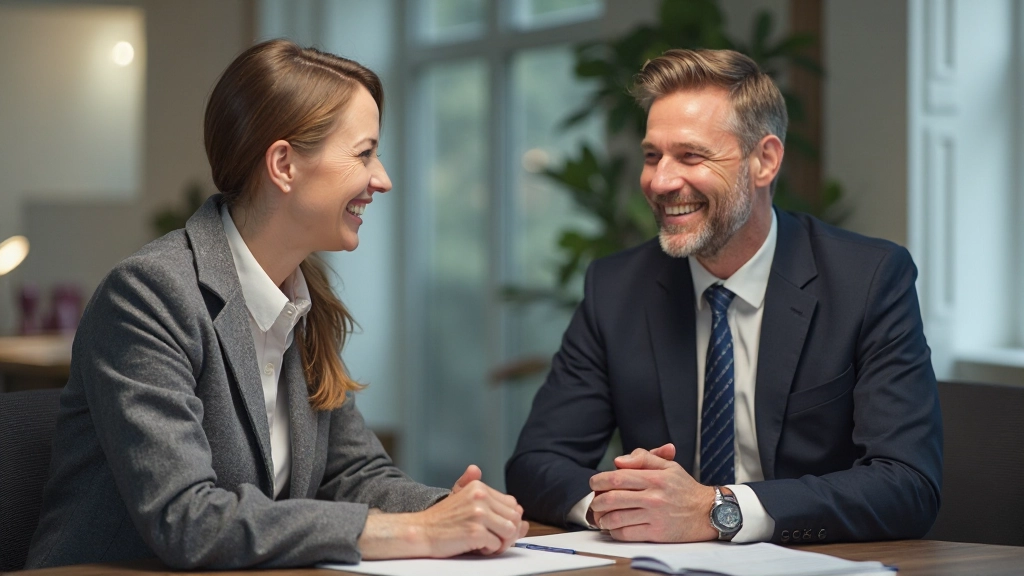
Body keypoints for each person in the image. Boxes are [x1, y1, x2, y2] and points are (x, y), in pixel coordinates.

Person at [27, 39, 527, 570]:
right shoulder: (150, 295)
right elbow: (187, 519)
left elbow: (354, 474)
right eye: (364, 153)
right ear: (284, 164)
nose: (381, 179)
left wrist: (455, 511)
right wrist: (416, 533)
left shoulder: (304, 300)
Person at [505, 48, 942, 545]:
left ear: (765, 160)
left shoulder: (867, 280)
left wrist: (718, 510)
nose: (661, 181)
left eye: (691, 155)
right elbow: (536, 462)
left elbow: (907, 484)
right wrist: (625, 507)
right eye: (652, 156)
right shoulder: (616, 287)